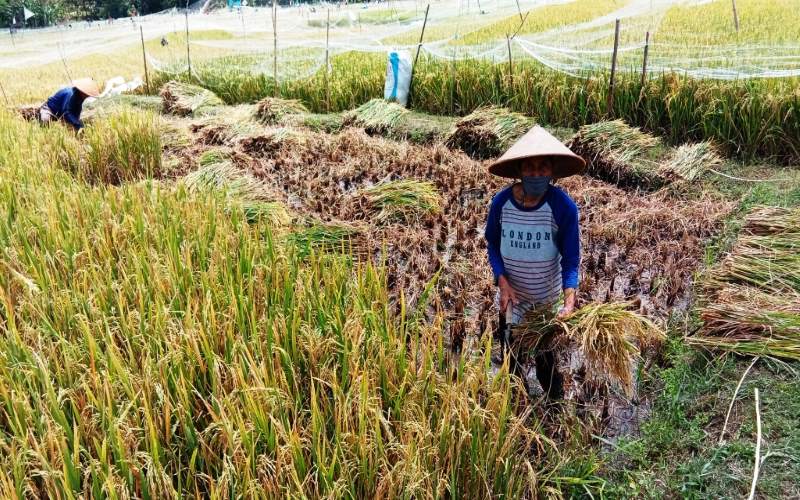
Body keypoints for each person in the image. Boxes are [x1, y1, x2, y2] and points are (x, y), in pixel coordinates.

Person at [484, 125, 586, 399]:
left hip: (545, 302)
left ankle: (553, 408)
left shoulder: (563, 207)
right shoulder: (501, 203)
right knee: (511, 360)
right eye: (530, 167)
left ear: (551, 172)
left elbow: (572, 260)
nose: (537, 173)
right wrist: (502, 282)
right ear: (519, 170)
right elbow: (492, 243)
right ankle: (518, 408)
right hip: (511, 300)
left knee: (546, 364)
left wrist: (568, 302)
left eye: (543, 167)